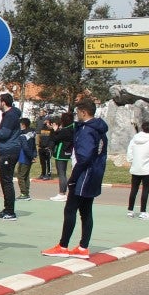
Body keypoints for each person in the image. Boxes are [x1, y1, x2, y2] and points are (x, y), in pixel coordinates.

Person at [41, 98, 107, 259]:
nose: (77, 115)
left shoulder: (87, 131)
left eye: (78, 112)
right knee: (86, 211)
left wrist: (73, 177)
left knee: (70, 209)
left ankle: (63, 246)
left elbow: (84, 157)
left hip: (84, 175)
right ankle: (83, 247)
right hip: (95, 173)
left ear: (84, 112)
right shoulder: (99, 129)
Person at [0, 92, 22, 220]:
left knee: (7, 181)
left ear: (3, 102)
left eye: (0, 102)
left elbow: (4, 134)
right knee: (5, 181)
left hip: (9, 151)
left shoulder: (10, 116)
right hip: (7, 150)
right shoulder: (11, 115)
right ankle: (7, 208)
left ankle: (10, 211)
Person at [127, 119, 149, 220]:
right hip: (147, 169)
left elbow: (130, 151)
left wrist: (132, 161)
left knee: (134, 189)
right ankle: (143, 212)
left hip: (135, 168)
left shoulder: (134, 139)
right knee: (145, 190)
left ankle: (130, 211)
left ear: (142, 128)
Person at [49, 113, 75, 201]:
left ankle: (62, 193)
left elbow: (54, 138)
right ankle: (63, 193)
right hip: (67, 152)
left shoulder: (65, 130)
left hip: (61, 153)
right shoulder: (72, 128)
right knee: (62, 173)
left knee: (61, 173)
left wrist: (54, 130)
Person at [14, 117, 37, 201]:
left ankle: (24, 193)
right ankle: (26, 193)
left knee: (20, 175)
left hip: (24, 157)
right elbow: (34, 146)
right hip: (29, 157)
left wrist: (31, 156)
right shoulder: (32, 134)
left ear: (23, 125)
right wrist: (34, 155)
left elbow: (25, 147)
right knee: (26, 176)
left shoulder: (23, 135)